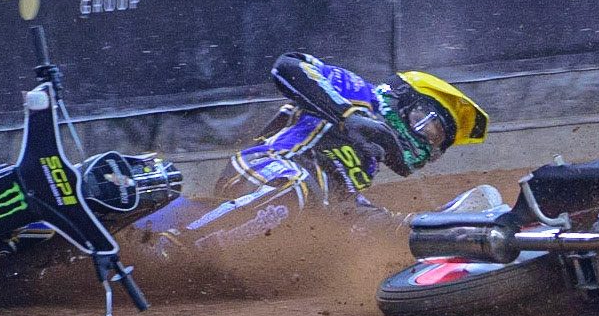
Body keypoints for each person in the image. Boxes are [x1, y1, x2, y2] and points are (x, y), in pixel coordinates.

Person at [137, 53, 488, 252]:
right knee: (300, 187)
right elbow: (288, 66)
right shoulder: (358, 93)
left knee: (353, 231)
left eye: (437, 141)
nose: (428, 142)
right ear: (404, 101)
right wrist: (349, 116)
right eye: (428, 127)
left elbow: (344, 207)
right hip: (266, 169)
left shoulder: (366, 161)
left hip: (299, 207)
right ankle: (177, 246)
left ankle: (446, 231)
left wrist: (413, 227)